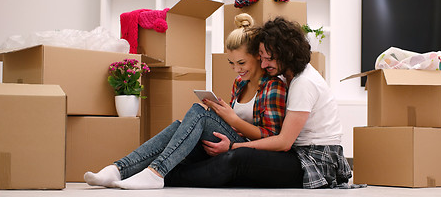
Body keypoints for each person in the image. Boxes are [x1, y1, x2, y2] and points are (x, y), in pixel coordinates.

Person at [83, 13, 287, 190]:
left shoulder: (273, 87)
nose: (237, 69)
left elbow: (272, 136)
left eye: (241, 63)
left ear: (258, 57)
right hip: (235, 140)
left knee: (199, 113)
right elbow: (241, 126)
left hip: (251, 153)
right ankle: (118, 169)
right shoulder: (239, 84)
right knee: (180, 125)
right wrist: (222, 115)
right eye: (231, 63)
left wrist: (232, 120)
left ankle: (156, 172)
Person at [165, 17, 353, 189]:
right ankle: (161, 170)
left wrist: (233, 146)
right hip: (295, 152)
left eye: (269, 58)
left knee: (239, 157)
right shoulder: (285, 76)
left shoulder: (304, 83)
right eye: (261, 57)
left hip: (315, 160)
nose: (263, 64)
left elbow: (283, 142)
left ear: (288, 54)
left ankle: (170, 177)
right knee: (220, 153)